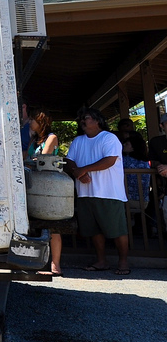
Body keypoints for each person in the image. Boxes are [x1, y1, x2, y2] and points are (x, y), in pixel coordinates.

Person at [65, 108, 130, 275]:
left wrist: (83, 170)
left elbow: (109, 160)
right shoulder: (78, 140)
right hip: (85, 192)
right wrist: (77, 173)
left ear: (97, 121)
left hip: (109, 192)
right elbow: (69, 160)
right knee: (93, 230)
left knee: (117, 230)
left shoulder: (109, 138)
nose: (83, 121)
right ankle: (101, 261)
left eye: (86, 118)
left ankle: (123, 262)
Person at [27, 106, 62, 276]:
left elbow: (42, 158)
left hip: (49, 185)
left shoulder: (51, 138)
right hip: (34, 183)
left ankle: (55, 265)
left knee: (53, 224)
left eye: (32, 120)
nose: (29, 123)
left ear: (40, 121)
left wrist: (30, 159)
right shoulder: (34, 141)